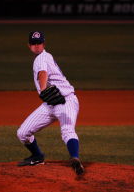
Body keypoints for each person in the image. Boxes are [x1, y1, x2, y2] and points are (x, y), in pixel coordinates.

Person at [16, 31, 84, 175]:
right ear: (29, 46)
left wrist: (42, 89)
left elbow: (42, 73)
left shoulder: (42, 58)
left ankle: (75, 159)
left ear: (43, 44)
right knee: (23, 133)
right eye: (34, 44)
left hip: (66, 100)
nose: (36, 46)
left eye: (39, 43)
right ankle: (37, 156)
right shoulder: (43, 57)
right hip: (50, 104)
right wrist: (44, 94)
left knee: (67, 130)